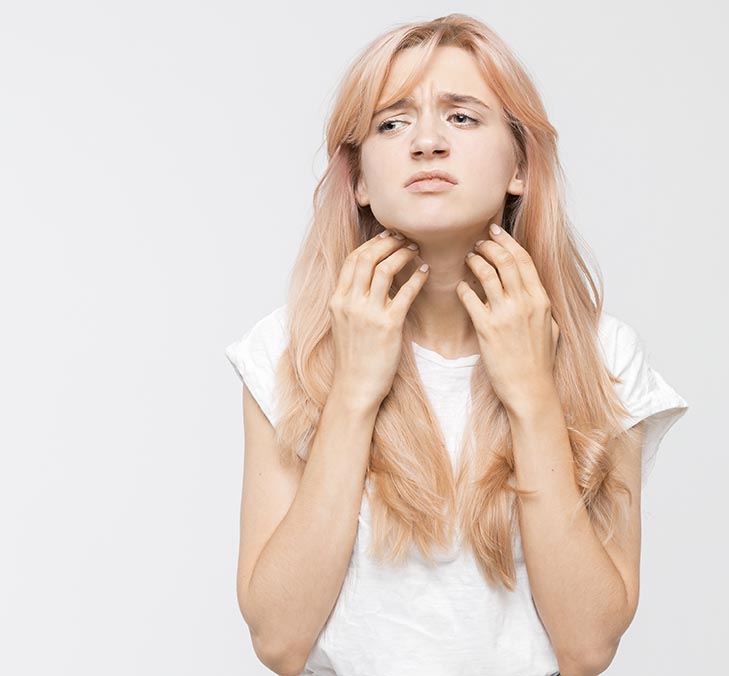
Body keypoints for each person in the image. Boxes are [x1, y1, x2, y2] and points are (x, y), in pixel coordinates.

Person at [225, 13, 689, 676]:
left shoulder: (605, 356)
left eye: (462, 117)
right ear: (357, 178)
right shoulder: (284, 352)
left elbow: (587, 648)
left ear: (520, 166)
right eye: (391, 122)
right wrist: (355, 391)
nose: (426, 142)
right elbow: (279, 640)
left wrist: (530, 395)